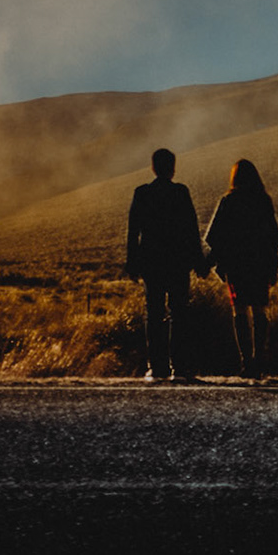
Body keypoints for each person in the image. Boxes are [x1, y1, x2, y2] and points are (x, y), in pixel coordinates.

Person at [125, 147, 205, 382]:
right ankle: (179, 365)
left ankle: (157, 366)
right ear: (173, 168)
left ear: (153, 168)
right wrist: (198, 261)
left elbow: (133, 231)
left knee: (154, 311)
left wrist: (132, 261)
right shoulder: (181, 192)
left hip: (152, 261)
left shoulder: (142, 193)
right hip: (178, 261)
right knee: (179, 312)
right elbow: (192, 229)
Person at [204, 158, 278, 381]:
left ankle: (246, 362)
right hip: (259, 263)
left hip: (237, 265)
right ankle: (259, 361)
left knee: (239, 311)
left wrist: (209, 262)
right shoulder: (263, 200)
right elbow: (275, 236)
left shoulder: (228, 201)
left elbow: (215, 237)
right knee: (260, 310)